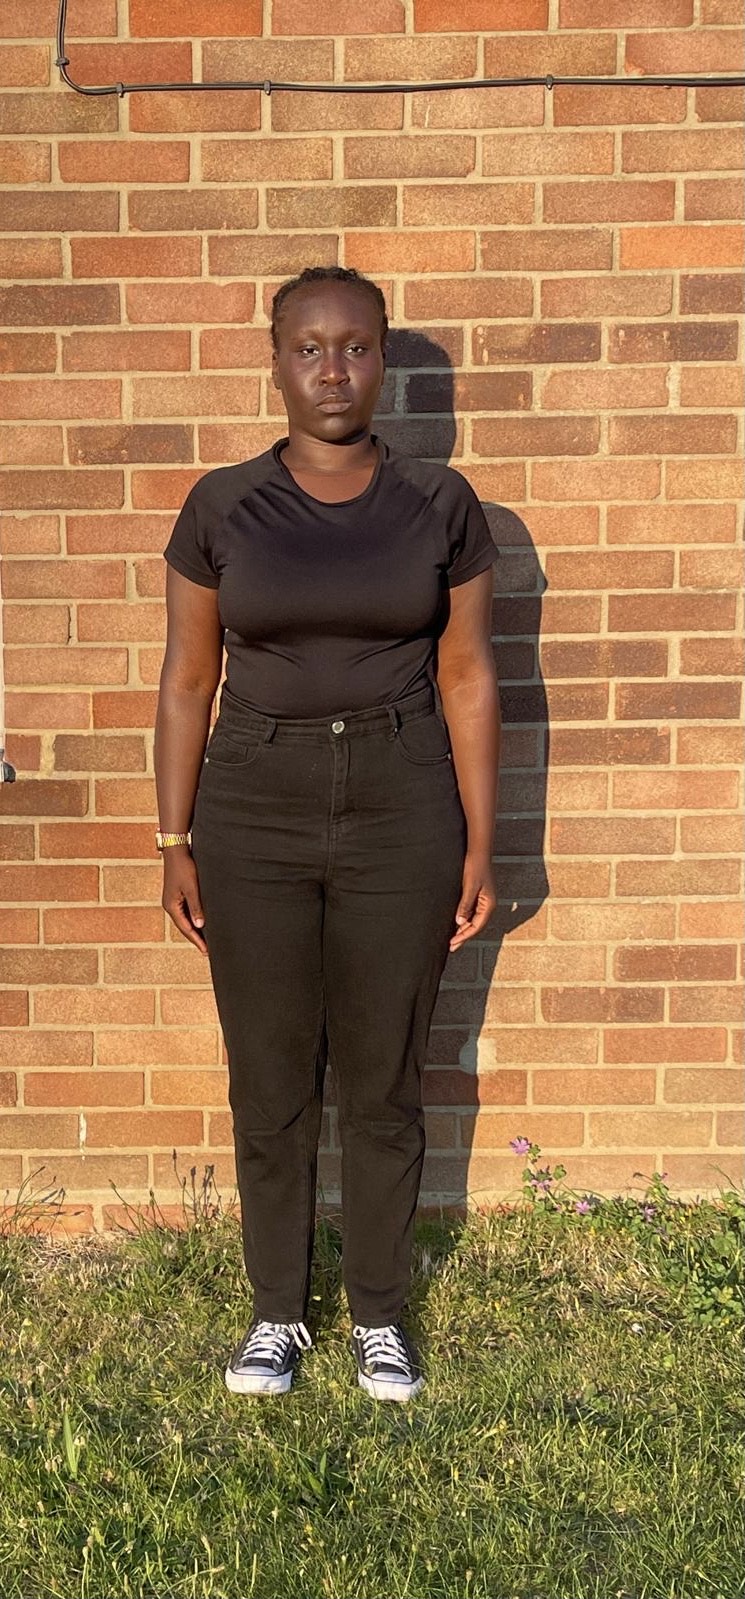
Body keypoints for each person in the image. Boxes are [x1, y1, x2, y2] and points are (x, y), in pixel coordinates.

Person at [154, 265, 501, 1403]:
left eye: (355, 347)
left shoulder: (439, 503)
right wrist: (173, 840)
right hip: (254, 801)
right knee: (269, 1076)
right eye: (309, 349)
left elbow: (467, 675)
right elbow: (187, 677)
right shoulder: (222, 506)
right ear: (276, 364)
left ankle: (380, 1318)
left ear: (382, 360)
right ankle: (275, 1314)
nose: (333, 370)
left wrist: (480, 843)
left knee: (383, 1075)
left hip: (402, 802)